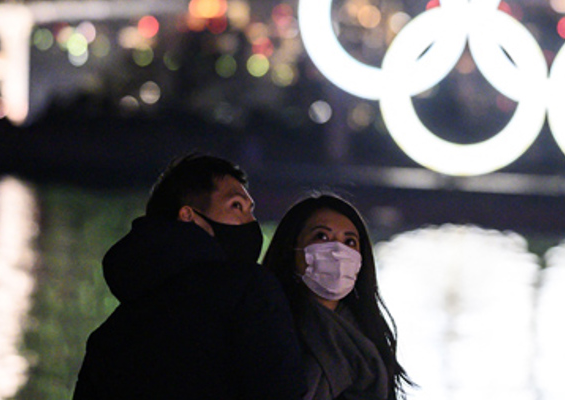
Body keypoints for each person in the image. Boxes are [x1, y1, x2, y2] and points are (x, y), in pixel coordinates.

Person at [73, 153, 304, 400]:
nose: (250, 222)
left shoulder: (113, 331)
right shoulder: (249, 290)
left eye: (250, 211)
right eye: (236, 206)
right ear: (188, 216)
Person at [263, 193, 410, 400]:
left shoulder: (368, 334)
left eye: (349, 241)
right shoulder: (266, 324)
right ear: (292, 248)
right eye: (321, 237)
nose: (338, 251)